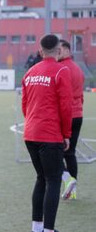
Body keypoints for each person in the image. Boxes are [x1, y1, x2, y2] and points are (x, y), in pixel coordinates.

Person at [22, 34, 73, 232]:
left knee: (41, 178)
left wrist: (33, 123)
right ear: (58, 50)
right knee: (53, 180)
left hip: (31, 133)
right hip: (50, 134)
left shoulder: (30, 73)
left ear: (40, 51)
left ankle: (37, 228)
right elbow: (66, 106)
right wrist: (66, 134)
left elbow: (25, 105)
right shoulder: (62, 71)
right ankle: (49, 230)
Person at [58, 39, 85, 200]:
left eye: (60, 50)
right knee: (70, 153)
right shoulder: (78, 69)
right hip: (78, 115)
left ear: (67, 51)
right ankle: (72, 190)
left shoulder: (62, 69)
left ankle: (67, 179)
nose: (57, 52)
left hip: (66, 116)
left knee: (53, 154)